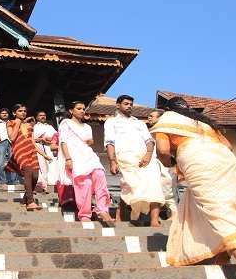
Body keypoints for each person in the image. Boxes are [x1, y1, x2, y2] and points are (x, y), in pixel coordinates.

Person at [151, 97, 236, 279]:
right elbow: (227, 145)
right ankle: (222, 257)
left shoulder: (167, 119)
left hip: (197, 160)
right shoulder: (203, 121)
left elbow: (162, 151)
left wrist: (173, 163)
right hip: (225, 159)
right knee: (212, 203)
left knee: (215, 209)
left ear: (167, 109)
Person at [104, 95, 164, 227]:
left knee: (154, 183)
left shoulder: (139, 123)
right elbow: (109, 142)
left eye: (131, 104)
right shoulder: (111, 122)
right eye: (126, 103)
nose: (129, 106)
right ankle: (120, 217)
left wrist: (148, 155)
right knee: (130, 186)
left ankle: (154, 220)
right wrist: (112, 161)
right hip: (125, 157)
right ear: (118, 105)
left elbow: (149, 141)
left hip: (146, 158)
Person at [59, 101, 113, 223]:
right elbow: (63, 142)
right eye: (79, 108)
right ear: (71, 111)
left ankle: (103, 209)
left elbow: (89, 141)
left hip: (88, 155)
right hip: (75, 156)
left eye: (83, 109)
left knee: (100, 175)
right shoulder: (66, 123)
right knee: (85, 183)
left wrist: (89, 142)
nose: (82, 111)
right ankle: (84, 214)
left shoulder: (87, 127)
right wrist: (68, 158)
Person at [6, 104, 42, 211]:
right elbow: (12, 138)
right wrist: (17, 123)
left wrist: (43, 154)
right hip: (20, 151)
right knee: (28, 174)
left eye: (24, 111)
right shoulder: (10, 123)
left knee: (35, 176)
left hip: (31, 151)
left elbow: (32, 141)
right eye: (20, 111)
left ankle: (26, 197)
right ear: (14, 113)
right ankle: (30, 202)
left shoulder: (29, 126)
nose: (23, 113)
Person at [148, 109, 178, 218]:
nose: (149, 118)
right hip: (153, 166)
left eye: (152, 116)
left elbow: (164, 151)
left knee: (168, 194)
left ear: (160, 118)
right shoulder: (150, 132)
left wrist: (172, 164)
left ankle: (175, 216)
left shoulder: (166, 131)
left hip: (166, 166)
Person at [33, 111, 57, 191]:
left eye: (44, 115)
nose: (43, 117)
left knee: (52, 164)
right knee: (42, 166)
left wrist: (49, 139)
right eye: (40, 115)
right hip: (39, 147)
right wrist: (41, 139)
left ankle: (53, 182)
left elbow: (56, 136)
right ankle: (43, 183)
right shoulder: (34, 127)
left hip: (50, 147)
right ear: (37, 117)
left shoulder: (50, 127)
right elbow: (32, 139)